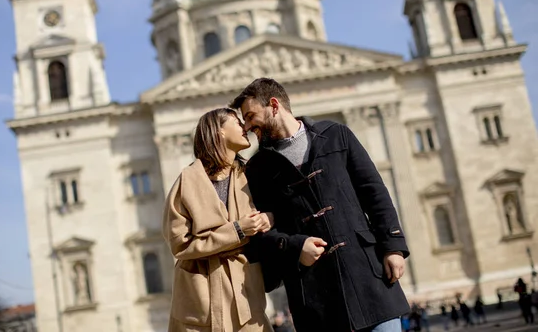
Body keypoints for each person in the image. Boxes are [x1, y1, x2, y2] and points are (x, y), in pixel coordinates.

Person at [230, 78, 410, 332]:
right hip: (314, 294)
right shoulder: (257, 169)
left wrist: (393, 247)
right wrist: (294, 247)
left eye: (250, 116)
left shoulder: (336, 135)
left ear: (273, 105)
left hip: (367, 276)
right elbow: (260, 231)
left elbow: (374, 193)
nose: (247, 126)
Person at [162, 108, 274, 332]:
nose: (244, 127)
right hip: (201, 299)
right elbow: (180, 244)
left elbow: (276, 210)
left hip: (245, 293)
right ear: (219, 131)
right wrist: (237, 231)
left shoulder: (250, 174)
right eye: (236, 121)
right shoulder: (188, 180)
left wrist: (268, 218)